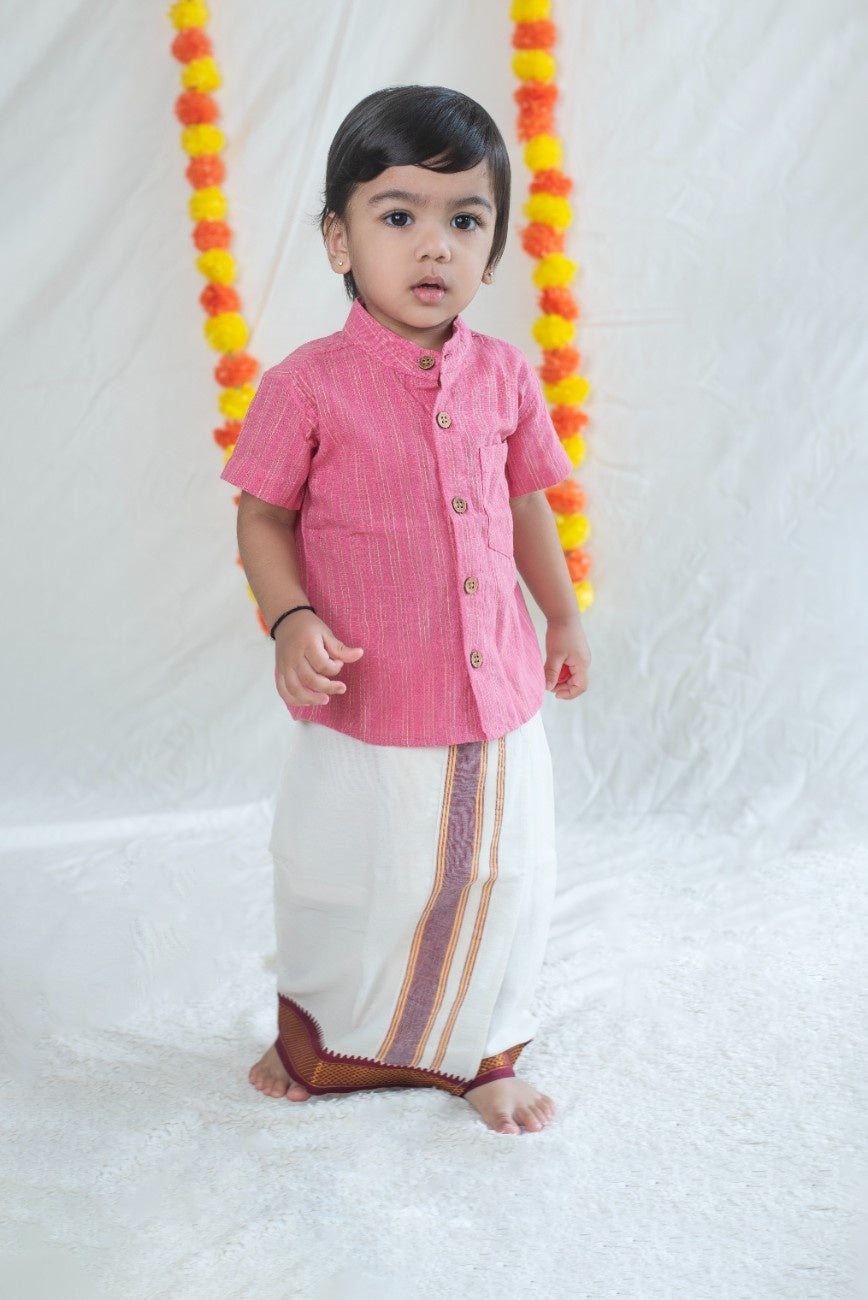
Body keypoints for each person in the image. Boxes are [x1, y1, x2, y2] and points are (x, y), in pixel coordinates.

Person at [221, 84, 591, 1136]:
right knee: (348, 874)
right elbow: (261, 518)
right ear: (338, 237)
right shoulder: (306, 386)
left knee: (503, 868)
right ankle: (325, 1044)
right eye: (397, 215)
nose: (433, 245)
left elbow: (526, 505)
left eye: (462, 220)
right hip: (369, 691)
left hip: (497, 691)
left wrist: (560, 617)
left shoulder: (507, 376)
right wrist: (292, 621)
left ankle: (485, 1050)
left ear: (496, 245)